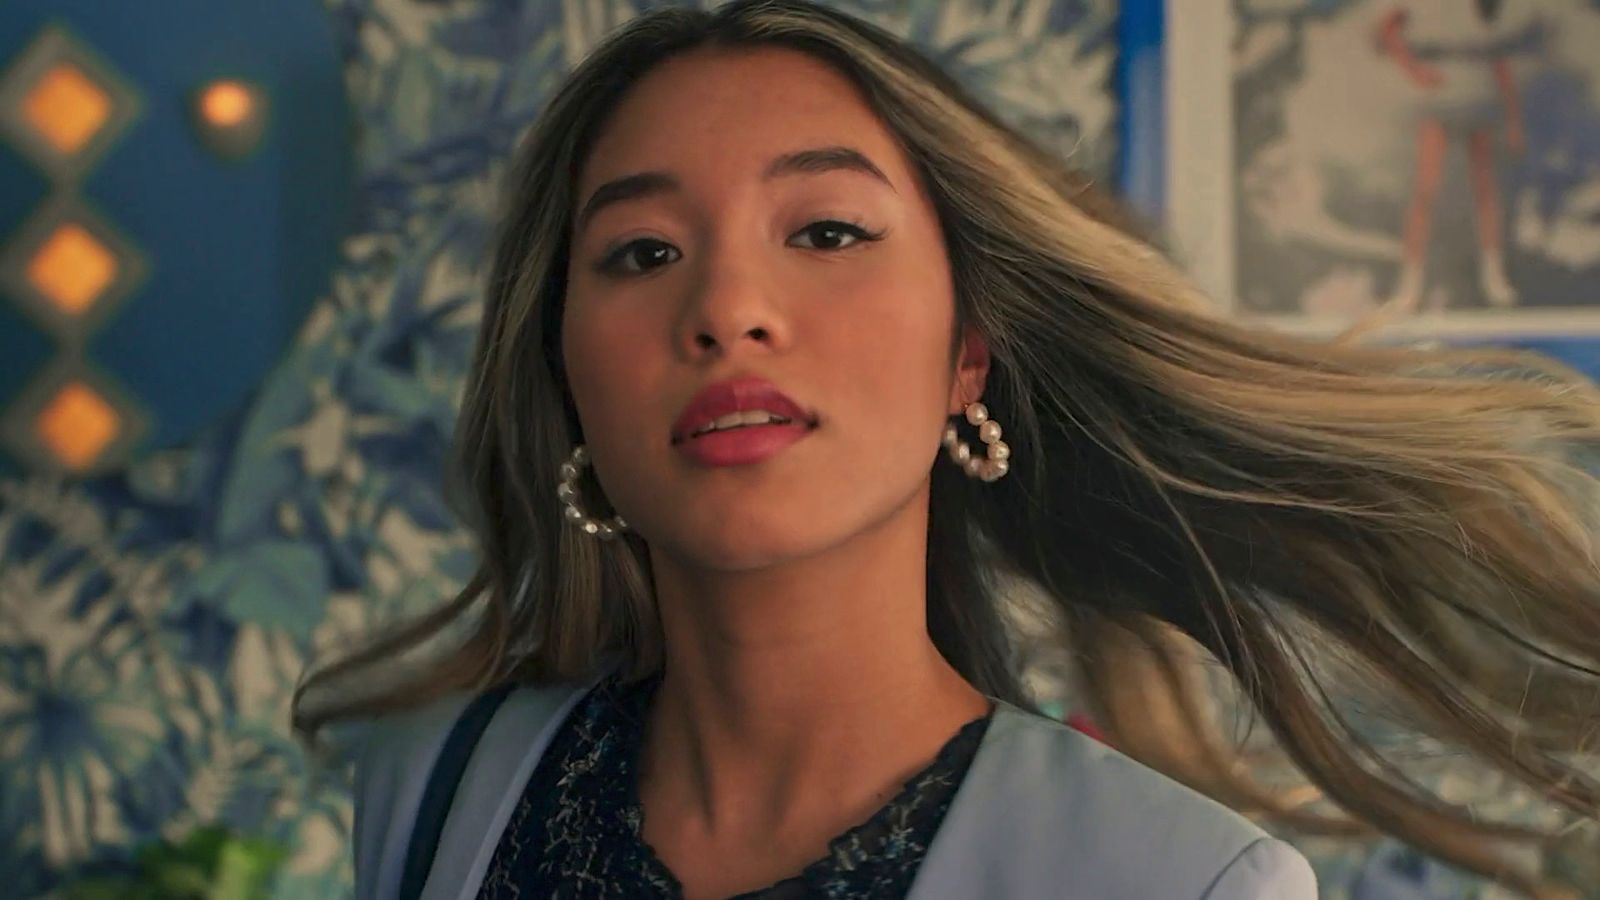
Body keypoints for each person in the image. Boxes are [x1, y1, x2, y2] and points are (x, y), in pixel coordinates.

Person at [292, 2, 1600, 897]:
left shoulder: (1173, 883)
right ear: (567, 380)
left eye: (827, 233)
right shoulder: (431, 793)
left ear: (966, 352)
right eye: (641, 253)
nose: (728, 308)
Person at [1377, 0, 1530, 311]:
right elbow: (1388, 29)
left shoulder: (1490, 11)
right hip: (1441, 99)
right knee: (1426, 189)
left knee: (1485, 190)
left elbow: (1499, 62)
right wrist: (1414, 69)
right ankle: (1410, 283)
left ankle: (1493, 275)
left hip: (1479, 94)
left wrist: (1513, 119)